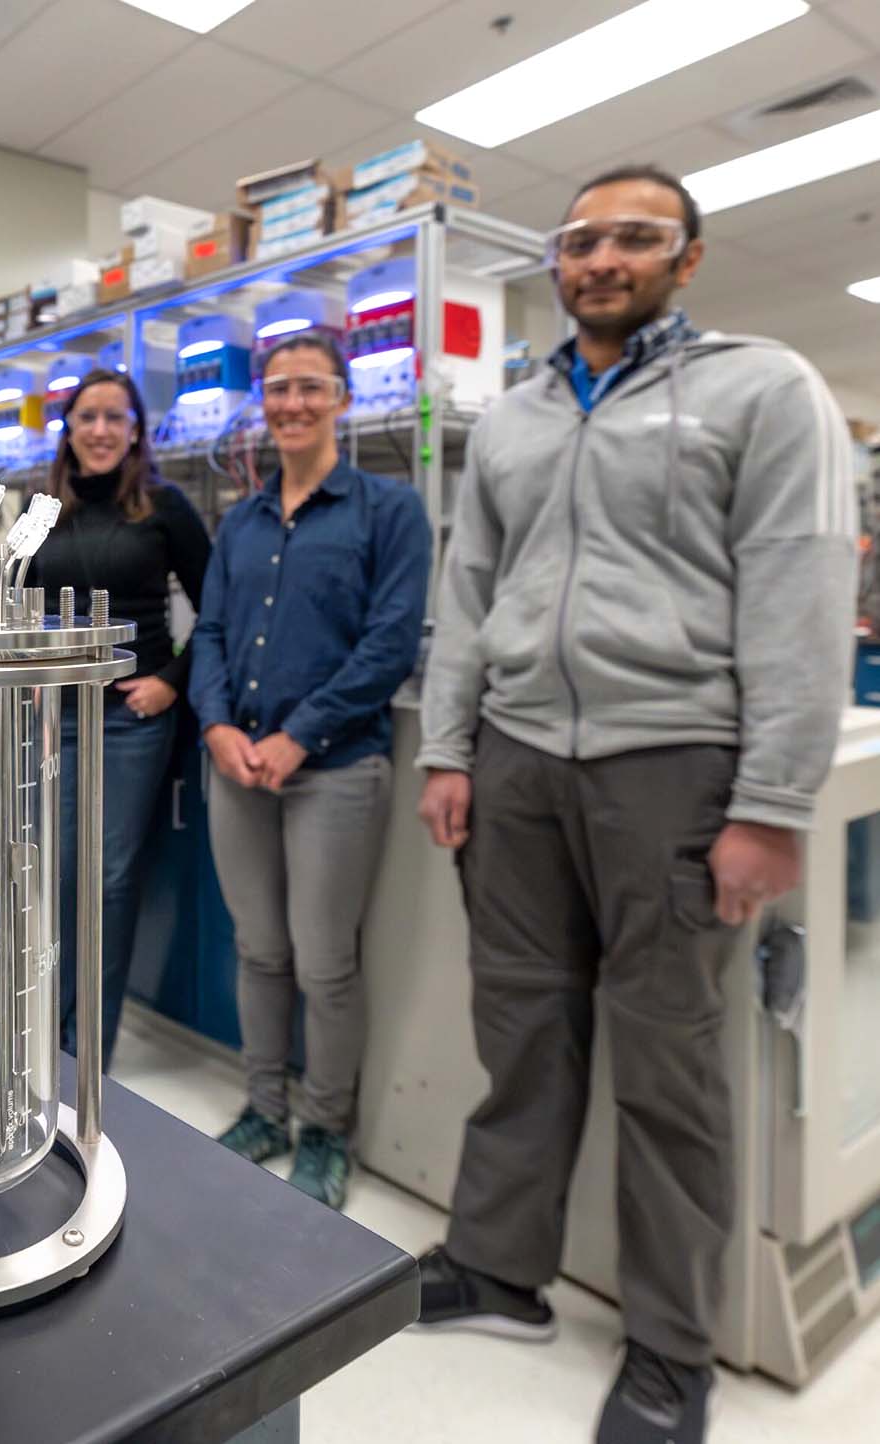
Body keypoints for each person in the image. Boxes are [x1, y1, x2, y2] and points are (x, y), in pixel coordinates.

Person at [412, 166, 855, 1444]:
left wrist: (771, 799)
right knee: (522, 1030)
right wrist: (450, 748)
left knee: (667, 1066)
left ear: (687, 256)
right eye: (579, 239)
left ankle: (668, 1348)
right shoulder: (512, 416)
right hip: (514, 762)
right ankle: (502, 1270)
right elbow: (470, 591)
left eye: (632, 239)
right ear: (553, 262)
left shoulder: (758, 388)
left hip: (671, 765)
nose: (599, 257)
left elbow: (796, 593)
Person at [191, 333, 430, 1210]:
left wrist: (302, 734)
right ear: (263, 401)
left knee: (326, 964)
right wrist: (216, 725)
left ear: (341, 398)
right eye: (278, 389)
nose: (291, 403)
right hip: (237, 766)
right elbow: (210, 632)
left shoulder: (387, 511)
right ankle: (266, 1110)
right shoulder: (242, 521)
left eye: (309, 388)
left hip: (334, 771)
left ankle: (326, 1131)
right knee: (260, 952)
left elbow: (389, 644)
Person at [25, 368, 211, 1070]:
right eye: (86, 418)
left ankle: (86, 1055)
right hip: (52, 717)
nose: (100, 431)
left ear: (136, 430)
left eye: (115, 417)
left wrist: (170, 679)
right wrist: (8, 680)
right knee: (52, 874)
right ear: (67, 431)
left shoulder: (164, 506)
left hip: (132, 720)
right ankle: (47, 1036)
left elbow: (214, 607)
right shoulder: (40, 511)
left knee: (107, 879)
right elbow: (9, 606)